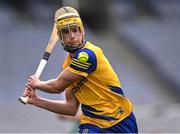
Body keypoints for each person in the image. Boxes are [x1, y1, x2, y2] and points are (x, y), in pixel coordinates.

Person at [23, 6, 138, 133]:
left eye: (74, 30)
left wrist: (36, 83)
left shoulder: (87, 55)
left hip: (120, 121)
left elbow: (57, 87)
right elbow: (70, 108)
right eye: (66, 32)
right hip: (92, 124)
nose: (71, 36)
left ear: (81, 31)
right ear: (60, 38)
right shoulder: (67, 65)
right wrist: (36, 100)